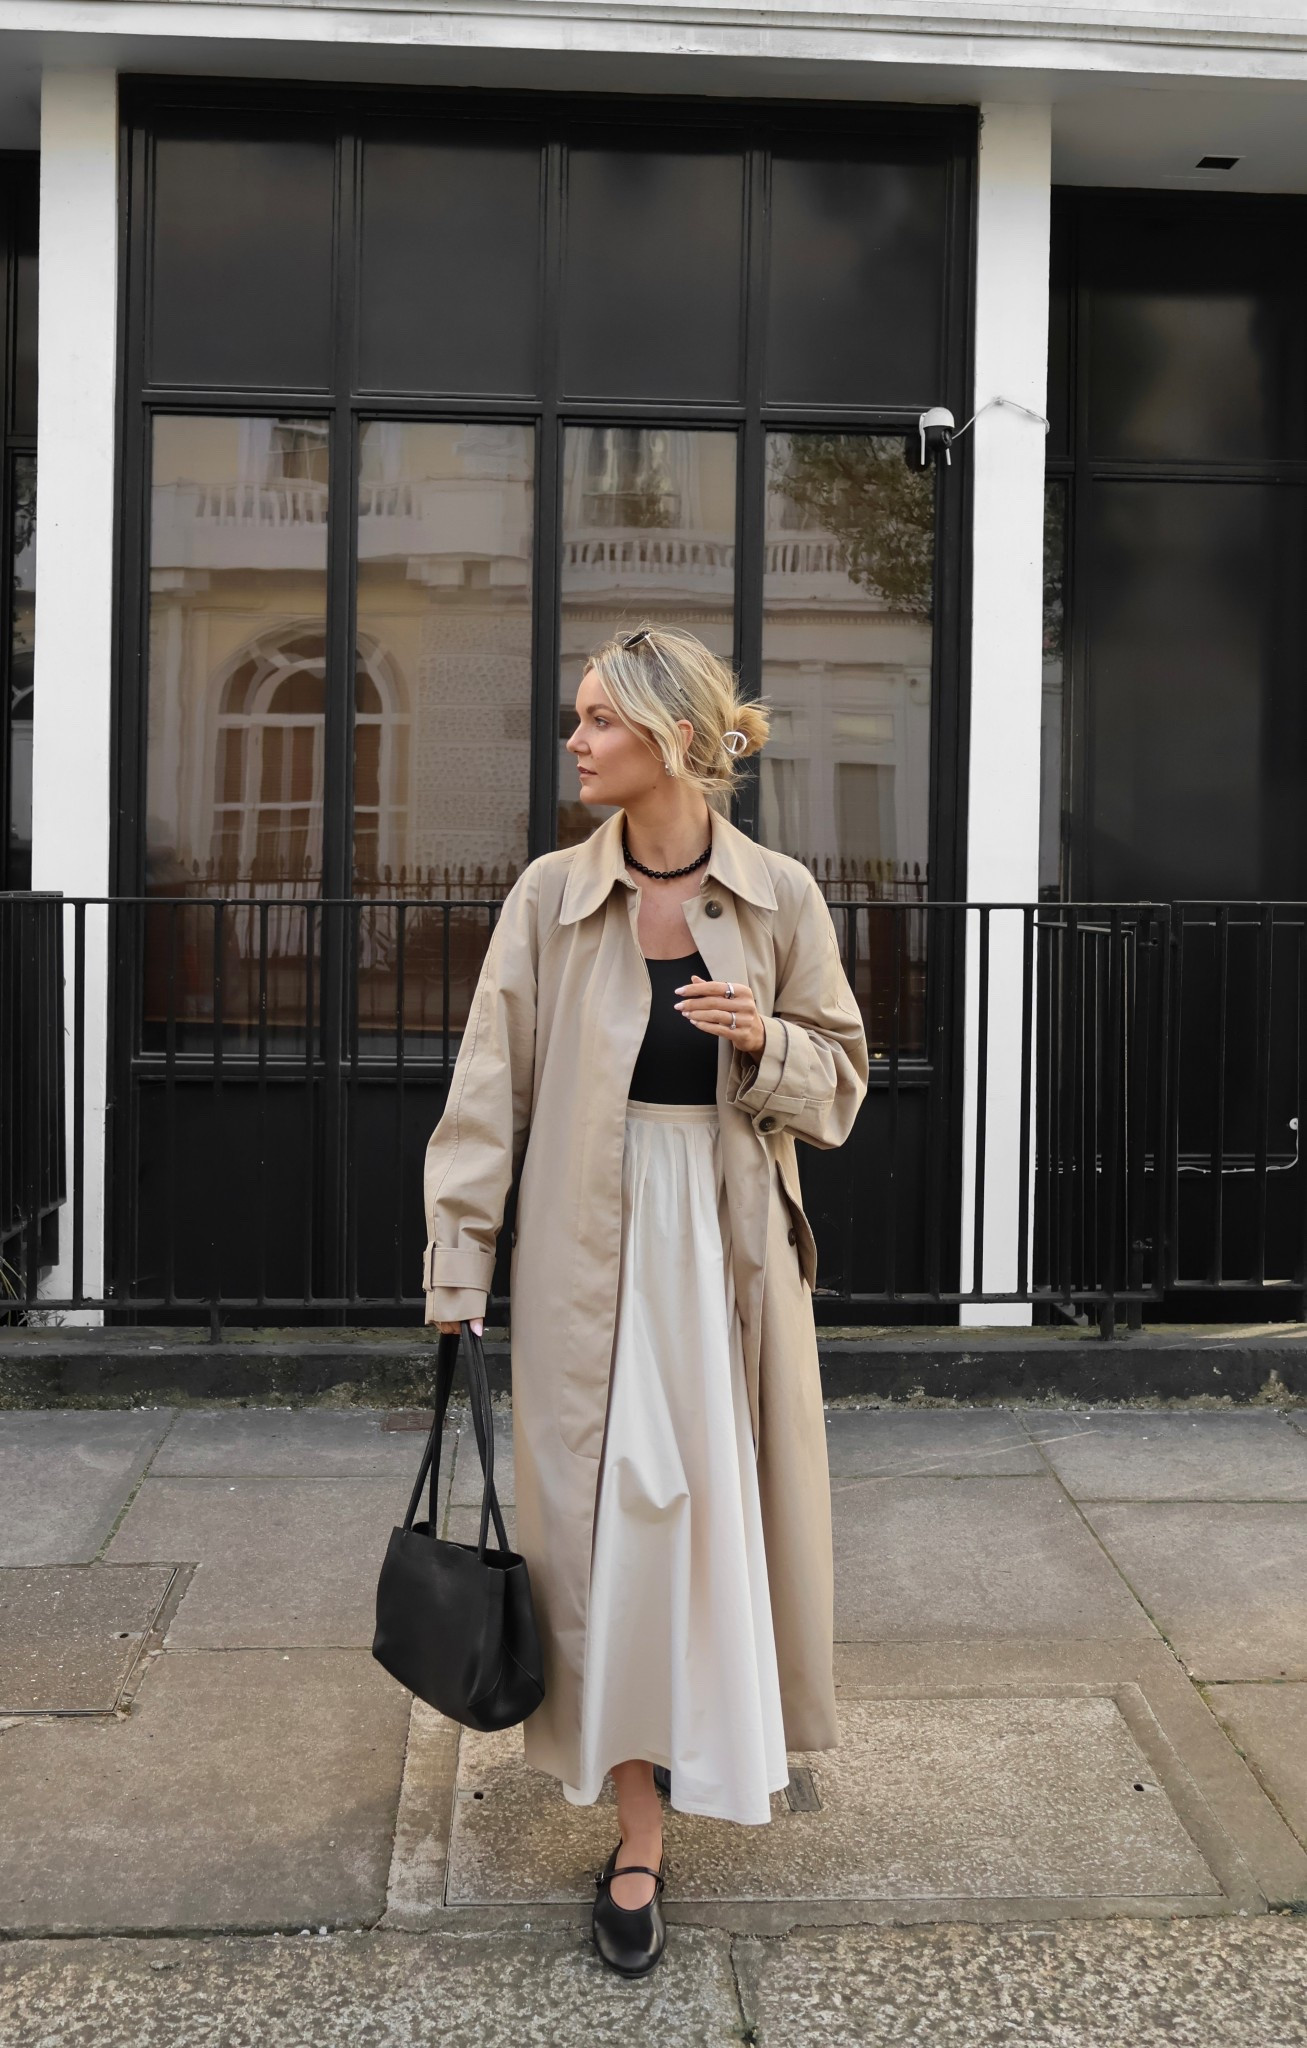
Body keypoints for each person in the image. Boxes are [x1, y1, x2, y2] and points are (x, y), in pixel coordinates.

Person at [423, 624, 869, 1976]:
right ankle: (635, 1830)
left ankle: (707, 1754)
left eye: (599, 719)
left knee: (715, 1523)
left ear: (673, 738)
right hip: (588, 1254)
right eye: (577, 717)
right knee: (611, 1532)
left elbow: (843, 1080)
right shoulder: (551, 898)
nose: (576, 740)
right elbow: (487, 1093)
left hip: (724, 1260)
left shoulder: (780, 895)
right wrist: (459, 1263)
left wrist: (768, 1043)